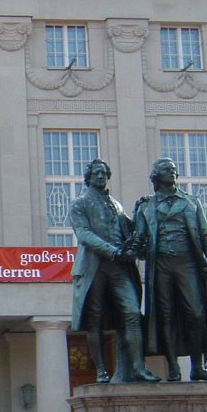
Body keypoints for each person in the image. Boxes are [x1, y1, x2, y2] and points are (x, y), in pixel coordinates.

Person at [131, 157, 207, 381]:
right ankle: (173, 367)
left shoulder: (191, 202)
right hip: (161, 265)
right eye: (166, 169)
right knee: (165, 316)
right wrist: (135, 219)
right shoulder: (146, 206)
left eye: (173, 170)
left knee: (197, 314)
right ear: (156, 176)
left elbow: (206, 236)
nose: (172, 172)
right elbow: (138, 242)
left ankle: (197, 366)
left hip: (188, 263)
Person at [70, 158, 159, 384]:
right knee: (95, 320)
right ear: (88, 177)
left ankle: (138, 367)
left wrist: (141, 211)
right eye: (96, 173)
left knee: (131, 313)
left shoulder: (115, 204)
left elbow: (130, 232)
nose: (101, 177)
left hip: (119, 268)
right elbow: (84, 235)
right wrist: (112, 251)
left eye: (104, 174)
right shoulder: (80, 203)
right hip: (94, 267)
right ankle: (100, 369)